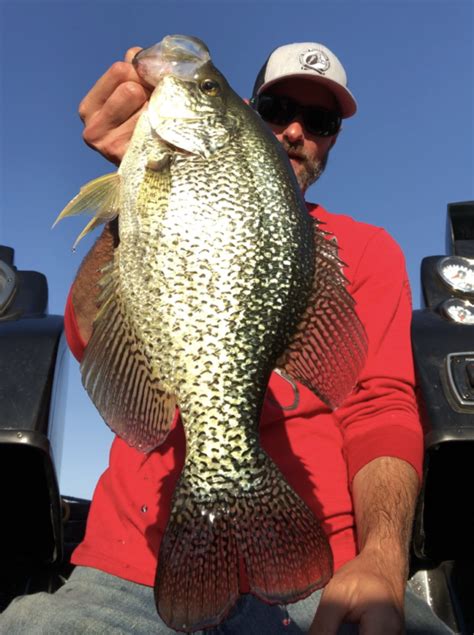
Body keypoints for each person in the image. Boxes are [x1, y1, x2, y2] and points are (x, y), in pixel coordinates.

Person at [0, 42, 453, 635]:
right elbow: (93, 341)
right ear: (246, 109)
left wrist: (383, 561)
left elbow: (379, 408)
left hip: (325, 567)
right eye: (277, 106)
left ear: (332, 140)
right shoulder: (153, 187)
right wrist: (130, 189)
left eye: (319, 121)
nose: (294, 129)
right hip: (134, 562)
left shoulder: (366, 248)